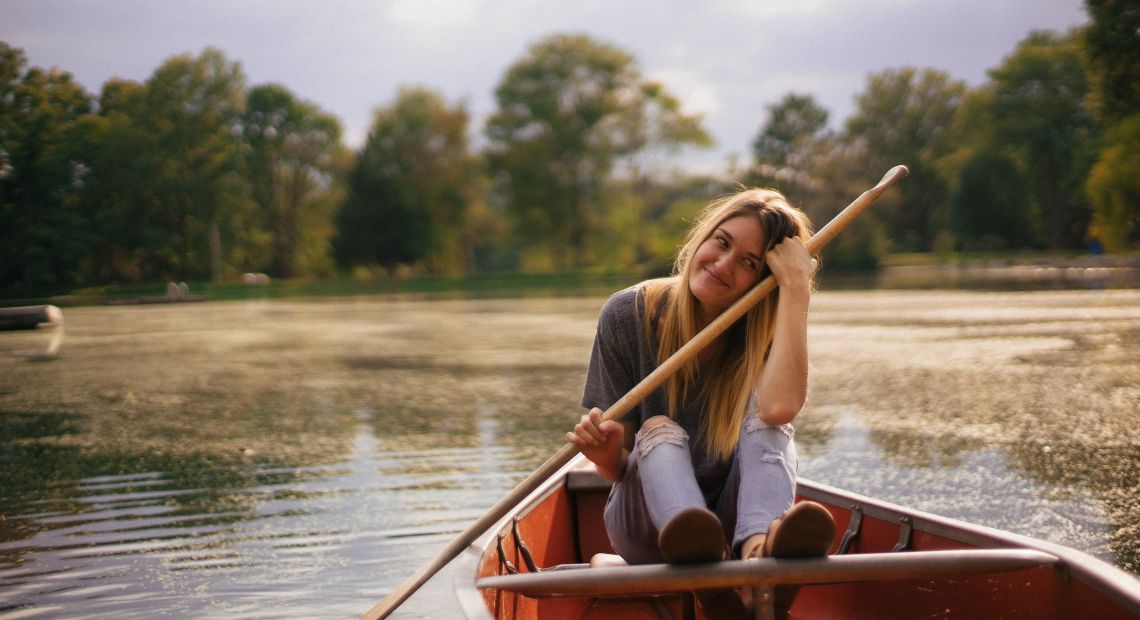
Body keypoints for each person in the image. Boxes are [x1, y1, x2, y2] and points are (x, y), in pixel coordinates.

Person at [566, 188, 837, 618]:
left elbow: (780, 410)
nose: (724, 264)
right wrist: (605, 457)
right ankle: (708, 564)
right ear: (703, 236)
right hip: (650, 528)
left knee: (767, 422)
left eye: (749, 262)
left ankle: (757, 559)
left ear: (765, 280)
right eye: (722, 242)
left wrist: (797, 289)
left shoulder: (765, 332)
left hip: (734, 524)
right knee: (659, 428)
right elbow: (619, 469)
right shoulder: (626, 314)